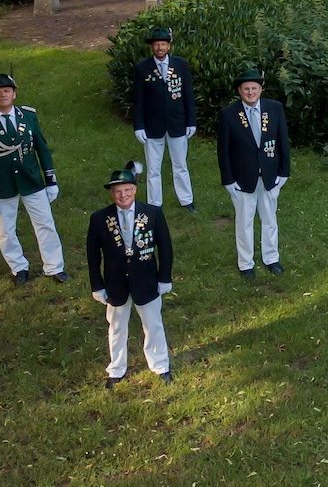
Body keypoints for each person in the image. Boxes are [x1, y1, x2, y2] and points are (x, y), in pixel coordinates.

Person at [0, 72, 67, 285]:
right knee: (6, 231)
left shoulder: (28, 116)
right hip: (0, 184)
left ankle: (54, 267)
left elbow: (42, 148)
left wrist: (50, 179)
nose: (2, 95)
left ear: (14, 93)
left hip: (31, 179)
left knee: (45, 224)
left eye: (6, 90)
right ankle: (18, 268)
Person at [86, 161, 174, 388]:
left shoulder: (153, 213)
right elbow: (93, 255)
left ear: (135, 190)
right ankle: (116, 368)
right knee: (116, 326)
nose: (123, 195)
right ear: (111, 194)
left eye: (127, 190)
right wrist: (97, 285)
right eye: (118, 191)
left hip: (146, 280)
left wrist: (164, 278)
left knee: (153, 324)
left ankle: (160, 364)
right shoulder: (99, 219)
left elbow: (165, 248)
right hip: (115, 283)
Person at [216, 67, 290, 280]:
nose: (250, 93)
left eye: (254, 88)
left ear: (261, 89)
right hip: (242, 179)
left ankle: (271, 258)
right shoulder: (229, 114)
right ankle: (246, 262)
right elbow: (223, 151)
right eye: (246, 89)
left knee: (270, 219)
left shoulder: (274, 109)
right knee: (244, 221)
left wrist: (283, 173)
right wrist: (228, 180)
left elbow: (282, 141)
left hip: (269, 176)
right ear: (239, 91)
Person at [131, 27, 197, 211]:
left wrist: (191, 121)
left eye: (163, 44)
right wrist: (139, 126)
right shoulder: (142, 68)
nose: (160, 48)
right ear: (152, 47)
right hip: (153, 126)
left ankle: (187, 200)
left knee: (180, 165)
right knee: (153, 168)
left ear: (169, 46)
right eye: (156, 44)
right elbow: (138, 100)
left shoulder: (181, 65)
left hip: (178, 123)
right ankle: (154, 204)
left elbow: (188, 95)